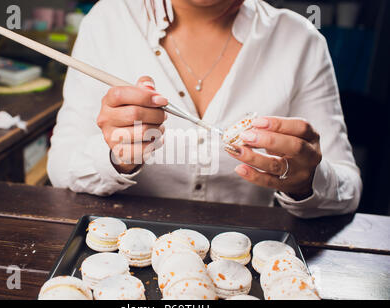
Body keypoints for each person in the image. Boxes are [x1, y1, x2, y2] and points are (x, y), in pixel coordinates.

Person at [47, 0, 362, 218]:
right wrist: (118, 156)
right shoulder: (108, 21)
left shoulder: (300, 41)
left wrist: (307, 182)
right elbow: (61, 168)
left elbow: (348, 190)